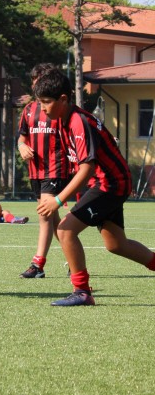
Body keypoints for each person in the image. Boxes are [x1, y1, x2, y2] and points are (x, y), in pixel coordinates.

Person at [34, 68, 155, 306]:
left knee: (65, 230)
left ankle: (82, 292)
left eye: (46, 102)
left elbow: (87, 168)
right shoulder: (62, 121)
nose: (42, 108)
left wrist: (58, 200)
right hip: (107, 182)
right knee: (116, 244)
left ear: (63, 99)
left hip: (110, 183)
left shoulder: (79, 122)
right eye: (40, 103)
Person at [17, 63, 70, 278]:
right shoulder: (29, 110)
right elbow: (22, 138)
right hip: (35, 170)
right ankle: (73, 257)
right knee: (53, 218)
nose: (34, 84)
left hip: (55, 168)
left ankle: (37, 264)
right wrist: (22, 147)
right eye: (33, 81)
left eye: (38, 80)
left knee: (44, 214)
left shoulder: (59, 108)